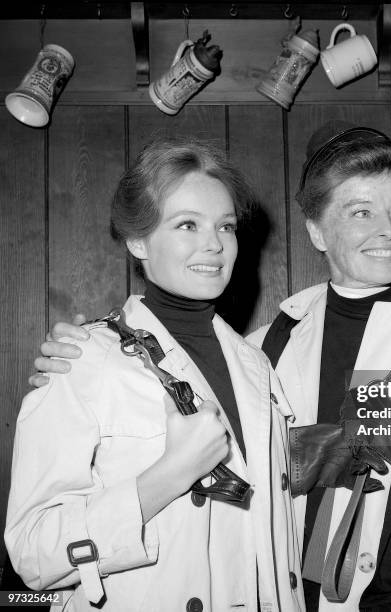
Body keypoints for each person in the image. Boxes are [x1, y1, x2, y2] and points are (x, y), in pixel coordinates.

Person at [29, 123, 391, 612]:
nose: (388, 230)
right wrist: (82, 351)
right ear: (316, 230)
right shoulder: (262, 352)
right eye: (361, 211)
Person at [6, 137, 305, 612]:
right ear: (137, 239)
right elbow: (31, 551)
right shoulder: (82, 360)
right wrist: (167, 477)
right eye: (188, 224)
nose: (214, 243)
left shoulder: (258, 366)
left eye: (225, 226)